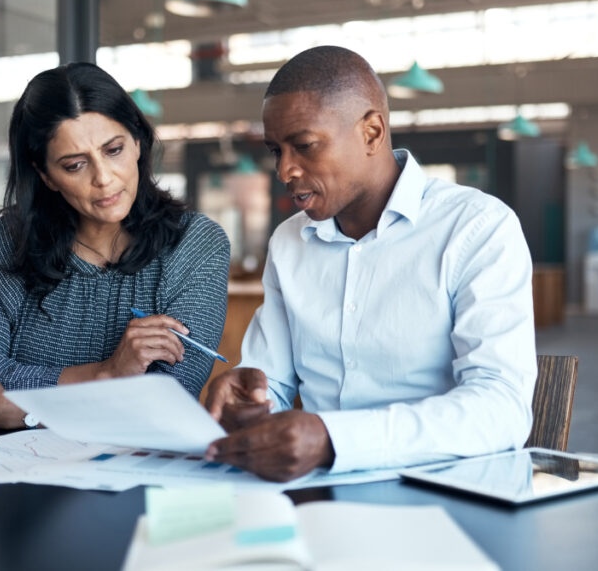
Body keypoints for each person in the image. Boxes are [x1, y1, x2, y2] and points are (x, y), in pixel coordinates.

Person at [204, 46, 536, 482]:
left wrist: (332, 439)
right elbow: (273, 385)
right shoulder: (289, 242)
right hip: (317, 494)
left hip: (444, 493)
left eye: (304, 146)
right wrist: (249, 398)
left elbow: (502, 408)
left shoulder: (477, 228)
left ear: (372, 133)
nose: (285, 170)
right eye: (275, 150)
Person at [0, 63, 230, 428]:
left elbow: (165, 401)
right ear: (46, 175)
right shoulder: (6, 240)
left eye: (114, 150)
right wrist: (107, 374)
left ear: (137, 142)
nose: (104, 179)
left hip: (129, 473)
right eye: (75, 165)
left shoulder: (195, 244)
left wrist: (20, 411)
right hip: (10, 473)